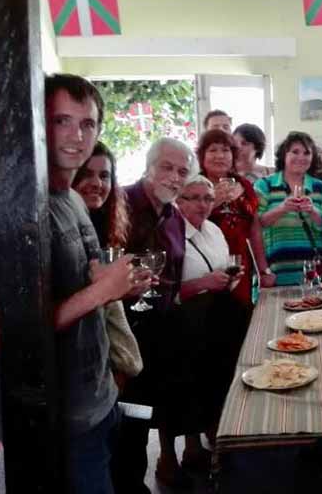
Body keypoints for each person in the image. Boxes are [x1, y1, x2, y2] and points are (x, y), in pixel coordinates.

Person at [44, 74, 137, 493]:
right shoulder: (16, 205)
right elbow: (9, 335)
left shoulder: (73, 200)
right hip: (62, 417)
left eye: (87, 124)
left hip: (100, 398)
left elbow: (91, 281)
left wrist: (117, 283)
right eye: (62, 121)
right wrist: (103, 289)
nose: (76, 136)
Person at [115, 137, 197, 492]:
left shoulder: (174, 217)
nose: (174, 177)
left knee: (159, 404)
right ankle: (130, 483)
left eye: (182, 171)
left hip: (160, 327)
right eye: (167, 167)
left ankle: (163, 465)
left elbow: (173, 276)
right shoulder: (119, 203)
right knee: (129, 418)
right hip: (123, 330)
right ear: (148, 166)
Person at [159, 176, 245, 484]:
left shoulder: (214, 230)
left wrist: (228, 279)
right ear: (177, 202)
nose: (201, 204)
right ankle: (166, 457)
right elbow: (163, 289)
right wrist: (205, 283)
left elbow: (220, 272)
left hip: (210, 321)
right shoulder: (169, 233)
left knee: (202, 385)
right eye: (192, 197)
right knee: (175, 390)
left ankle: (194, 449)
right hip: (179, 323)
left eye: (208, 198)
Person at [73, 143, 144, 394]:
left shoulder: (103, 224)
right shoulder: (62, 229)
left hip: (107, 364)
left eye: (104, 175)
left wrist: (128, 288)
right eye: (86, 174)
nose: (97, 183)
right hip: (79, 368)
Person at [255, 131, 322, 287]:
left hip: (314, 271)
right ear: (284, 155)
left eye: (307, 153)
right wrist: (281, 208)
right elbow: (256, 224)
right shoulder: (264, 185)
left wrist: (313, 211)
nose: (301, 157)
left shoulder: (319, 186)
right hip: (276, 271)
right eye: (295, 152)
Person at [197, 129, 266, 303]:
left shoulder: (244, 185)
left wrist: (263, 269)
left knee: (243, 318)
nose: (220, 156)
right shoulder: (194, 185)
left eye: (225, 150)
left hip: (241, 264)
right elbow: (183, 226)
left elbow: (255, 230)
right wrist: (212, 204)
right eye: (213, 150)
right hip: (206, 267)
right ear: (202, 156)